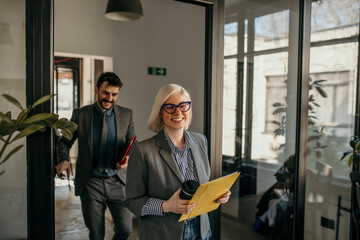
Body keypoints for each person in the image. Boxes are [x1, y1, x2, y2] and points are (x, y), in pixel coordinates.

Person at [125, 84, 231, 240]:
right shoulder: (142, 150)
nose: (178, 112)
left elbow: (203, 184)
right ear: (160, 112)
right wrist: (166, 206)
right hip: (162, 234)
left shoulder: (201, 141)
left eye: (183, 106)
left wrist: (218, 194)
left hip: (201, 231)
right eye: (170, 107)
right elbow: (132, 201)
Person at [56, 72, 135, 240]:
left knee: (126, 230)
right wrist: (63, 160)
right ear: (97, 89)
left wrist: (129, 159)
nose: (110, 98)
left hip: (118, 182)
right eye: (106, 93)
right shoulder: (80, 114)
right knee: (96, 234)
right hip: (91, 183)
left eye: (114, 94)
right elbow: (64, 142)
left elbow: (133, 145)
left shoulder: (127, 115)